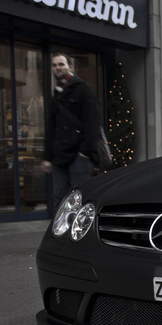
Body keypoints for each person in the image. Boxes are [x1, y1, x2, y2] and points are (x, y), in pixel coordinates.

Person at [41, 53, 101, 210]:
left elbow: (93, 123)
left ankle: (79, 234)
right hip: (59, 157)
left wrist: (84, 153)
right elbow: (51, 127)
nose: (58, 68)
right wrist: (47, 157)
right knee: (58, 200)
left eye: (61, 64)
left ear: (70, 67)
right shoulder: (56, 94)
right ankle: (59, 234)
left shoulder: (83, 90)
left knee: (79, 201)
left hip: (79, 157)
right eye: (54, 65)